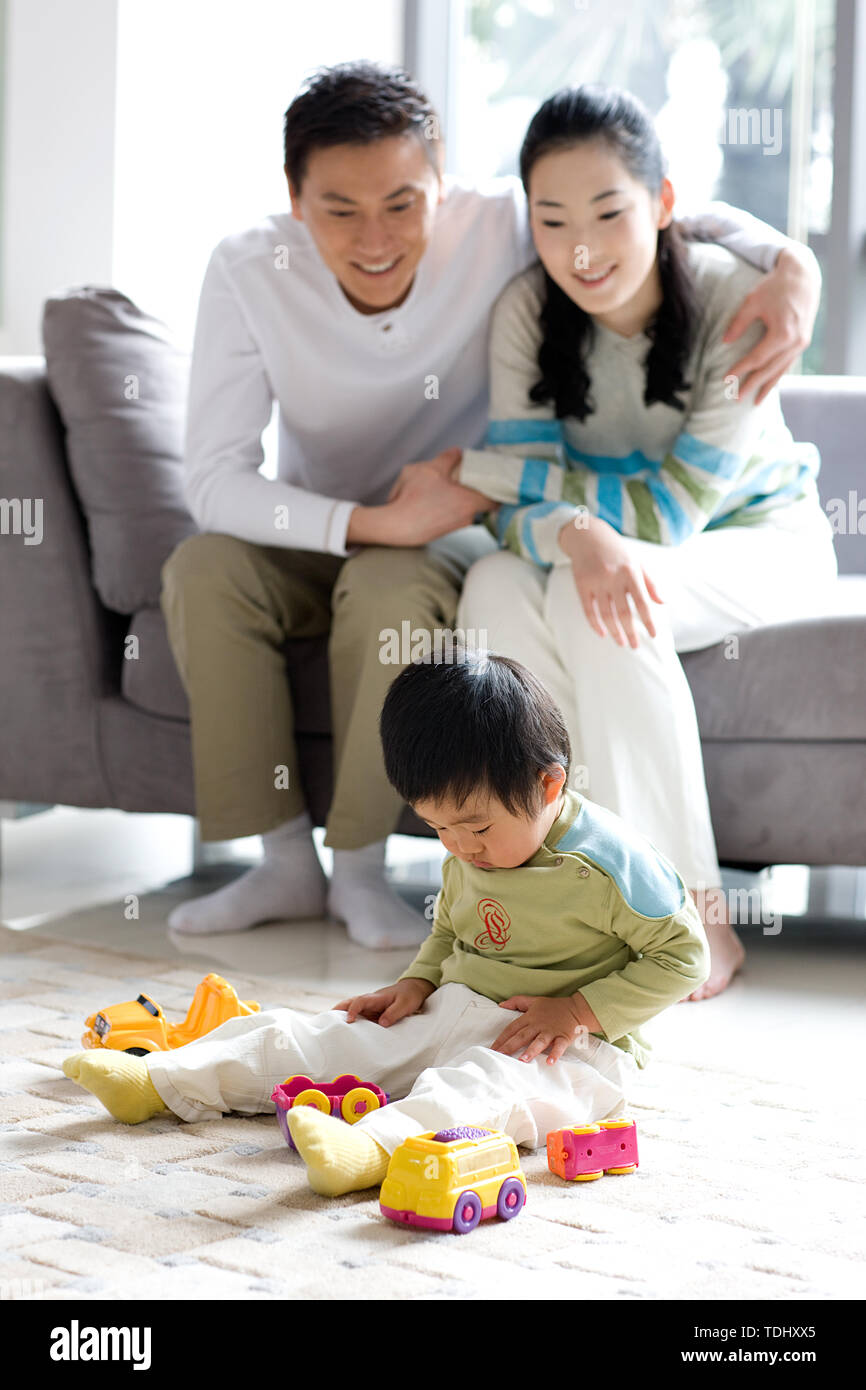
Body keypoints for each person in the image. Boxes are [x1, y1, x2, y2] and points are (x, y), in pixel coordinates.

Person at [163, 60, 823, 951]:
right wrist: (382, 521)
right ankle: (311, 865)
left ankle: (646, 906)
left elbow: (629, 201)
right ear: (292, 197)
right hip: (357, 523)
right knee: (220, 568)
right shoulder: (262, 268)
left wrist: (792, 261)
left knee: (479, 594)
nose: (375, 237)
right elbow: (211, 478)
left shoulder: (511, 226)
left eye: (402, 203)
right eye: (338, 209)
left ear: (442, 185)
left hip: (519, 530)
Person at [394, 84, 838, 996]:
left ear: (664, 204)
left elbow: (672, 513)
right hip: (597, 545)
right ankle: (556, 909)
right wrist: (573, 526)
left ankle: (687, 916)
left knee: (592, 597)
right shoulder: (526, 311)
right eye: (553, 221)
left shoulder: (735, 301)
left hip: (755, 538)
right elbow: (522, 526)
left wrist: (484, 476)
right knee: (495, 591)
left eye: (608, 210)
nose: (582, 247)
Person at [62, 652, 708, 1197]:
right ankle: (165, 1081)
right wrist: (417, 983)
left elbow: (684, 957)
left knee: (479, 1093)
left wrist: (574, 1011)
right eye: (437, 829)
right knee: (326, 1036)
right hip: (459, 1007)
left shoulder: (610, 864)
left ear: (547, 786)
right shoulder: (470, 845)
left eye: (476, 827)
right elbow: (451, 932)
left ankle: (371, 1150)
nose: (459, 847)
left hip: (570, 1051)